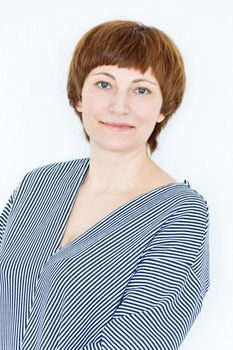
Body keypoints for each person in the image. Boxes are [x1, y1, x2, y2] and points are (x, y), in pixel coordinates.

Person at [0, 20, 209, 350]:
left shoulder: (180, 214)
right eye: (103, 84)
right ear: (78, 97)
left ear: (164, 108)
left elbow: (139, 340)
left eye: (141, 90)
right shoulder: (37, 185)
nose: (119, 106)